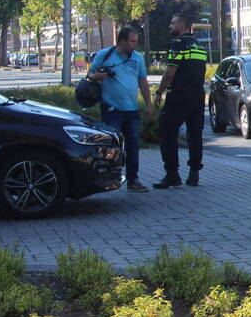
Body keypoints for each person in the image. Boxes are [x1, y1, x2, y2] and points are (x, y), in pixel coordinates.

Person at [88, 27, 154, 192]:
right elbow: (90, 74)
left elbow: (143, 82)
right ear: (122, 41)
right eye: (132, 41)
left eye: (135, 41)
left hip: (131, 110)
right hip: (111, 109)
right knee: (113, 146)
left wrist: (148, 104)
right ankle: (110, 178)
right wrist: (98, 76)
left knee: (133, 145)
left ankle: (133, 180)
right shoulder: (105, 55)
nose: (134, 44)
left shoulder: (137, 58)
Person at [154, 13, 207, 188]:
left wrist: (159, 92)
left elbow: (170, 72)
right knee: (195, 134)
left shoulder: (178, 44)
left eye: (173, 23)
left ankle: (172, 173)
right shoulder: (199, 46)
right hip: (198, 96)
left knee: (167, 131)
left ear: (183, 26)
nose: (170, 26)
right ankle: (194, 174)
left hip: (179, 96)